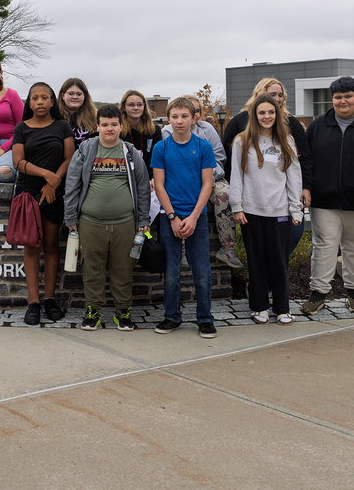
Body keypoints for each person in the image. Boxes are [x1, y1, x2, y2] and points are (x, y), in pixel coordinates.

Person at [301, 77, 354, 316]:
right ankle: (318, 294)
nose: (343, 101)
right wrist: (306, 187)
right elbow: (306, 161)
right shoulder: (318, 125)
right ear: (332, 99)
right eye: (338, 97)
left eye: (347, 96)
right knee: (324, 246)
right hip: (323, 200)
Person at [64, 104, 150, 331]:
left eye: (114, 124)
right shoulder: (86, 149)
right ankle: (93, 311)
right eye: (104, 125)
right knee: (92, 270)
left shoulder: (130, 152)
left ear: (121, 126)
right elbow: (72, 183)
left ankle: (123, 312)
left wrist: (143, 221)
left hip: (125, 223)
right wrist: (70, 215)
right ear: (97, 126)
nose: (109, 129)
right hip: (90, 222)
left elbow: (142, 188)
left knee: (123, 270)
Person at [230, 94, 303, 326]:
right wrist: (237, 206)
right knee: (256, 261)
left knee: (279, 262)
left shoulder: (287, 140)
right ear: (254, 114)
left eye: (271, 112)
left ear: (277, 113)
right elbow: (236, 175)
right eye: (262, 112)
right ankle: (259, 307)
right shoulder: (242, 141)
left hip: (279, 210)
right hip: (251, 211)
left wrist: (296, 208)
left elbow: (294, 176)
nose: (267, 116)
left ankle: (282, 308)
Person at [222, 78, 312, 253]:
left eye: (280, 95)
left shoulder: (291, 125)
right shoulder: (239, 125)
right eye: (272, 95)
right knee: (258, 255)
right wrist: (237, 200)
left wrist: (305, 187)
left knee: (282, 250)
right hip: (252, 203)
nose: (278, 99)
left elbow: (303, 160)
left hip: (282, 203)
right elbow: (229, 161)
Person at [152, 97, 217, 338]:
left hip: (196, 217)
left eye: (184, 116)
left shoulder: (203, 147)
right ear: (168, 119)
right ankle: (171, 317)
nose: (180, 121)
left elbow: (207, 184)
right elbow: (159, 186)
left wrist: (193, 217)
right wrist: (172, 216)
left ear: (194, 118)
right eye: (175, 117)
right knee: (170, 273)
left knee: (201, 272)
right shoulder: (161, 148)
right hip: (169, 217)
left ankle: (205, 319)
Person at [12, 83, 75, 325]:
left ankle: (49, 299)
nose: (39, 102)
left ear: (52, 102)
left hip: (54, 193)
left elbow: (69, 158)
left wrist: (53, 182)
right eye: (34, 98)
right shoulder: (21, 128)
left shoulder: (62, 126)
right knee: (31, 247)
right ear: (29, 103)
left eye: (44, 98)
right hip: (28, 192)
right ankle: (33, 303)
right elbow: (18, 161)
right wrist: (46, 175)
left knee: (50, 245)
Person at [164, 95, 240, 268]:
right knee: (179, 194)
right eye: (179, 115)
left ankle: (227, 248)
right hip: (183, 180)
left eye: (196, 111)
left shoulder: (207, 129)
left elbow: (219, 158)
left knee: (224, 194)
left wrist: (209, 177)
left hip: (213, 177)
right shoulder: (167, 132)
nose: (194, 115)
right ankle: (183, 247)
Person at [119, 90, 160, 178]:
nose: (136, 108)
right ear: (124, 107)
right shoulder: (119, 130)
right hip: (125, 177)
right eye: (131, 105)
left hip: (148, 178)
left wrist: (152, 178)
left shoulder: (154, 129)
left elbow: (156, 158)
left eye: (139, 104)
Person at [58, 77, 97, 147]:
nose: (75, 97)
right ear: (63, 95)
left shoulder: (95, 117)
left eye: (79, 94)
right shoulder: (53, 117)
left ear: (84, 96)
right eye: (71, 94)